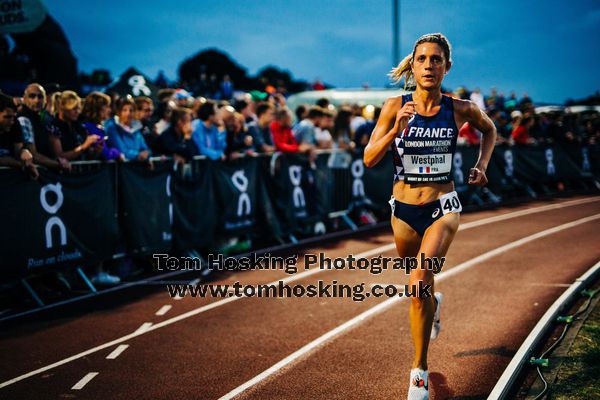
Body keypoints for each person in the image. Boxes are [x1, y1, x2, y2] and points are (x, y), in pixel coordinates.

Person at [363, 33, 496, 400]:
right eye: (422, 59)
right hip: (403, 210)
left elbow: (490, 129)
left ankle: (418, 371)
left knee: (420, 279)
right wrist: (394, 129)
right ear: (414, 64)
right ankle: (434, 304)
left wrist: (482, 164)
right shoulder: (394, 106)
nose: (429, 66)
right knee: (419, 289)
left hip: (442, 205)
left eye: (436, 59)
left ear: (446, 67)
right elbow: (369, 158)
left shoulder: (460, 109)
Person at [18, 83, 71, 171]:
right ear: (24, 98)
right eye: (32, 96)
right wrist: (59, 164)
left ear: (45, 100)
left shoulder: (41, 119)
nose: (36, 100)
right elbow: (33, 155)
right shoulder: (24, 119)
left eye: (40, 97)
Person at [0, 93, 38, 178]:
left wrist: (24, 152)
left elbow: (18, 152)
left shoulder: (15, 124)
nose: (11, 121)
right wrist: (21, 164)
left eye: (13, 117)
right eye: (7, 117)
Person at [105, 96, 151, 162]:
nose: (128, 113)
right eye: (124, 110)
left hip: (136, 168)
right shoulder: (112, 128)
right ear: (119, 112)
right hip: (121, 169)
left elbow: (145, 148)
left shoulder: (136, 128)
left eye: (131, 110)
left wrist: (147, 154)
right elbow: (122, 150)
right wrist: (138, 155)